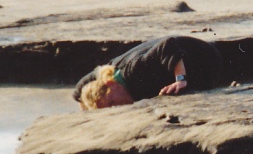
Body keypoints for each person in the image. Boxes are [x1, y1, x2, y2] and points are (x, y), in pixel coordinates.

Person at [74, 36, 224, 110]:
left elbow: (167, 44)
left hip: (206, 60)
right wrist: (84, 105)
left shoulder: (135, 71)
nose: (116, 108)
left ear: (111, 84)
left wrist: (180, 80)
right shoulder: (108, 72)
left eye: (112, 103)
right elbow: (79, 89)